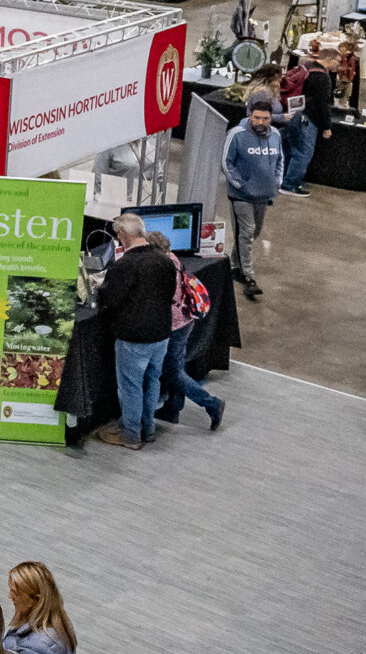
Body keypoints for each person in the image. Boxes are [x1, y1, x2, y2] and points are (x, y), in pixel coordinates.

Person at [91, 215, 177, 451]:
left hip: (134, 338)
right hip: (161, 335)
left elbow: (110, 299)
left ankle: (130, 436)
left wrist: (102, 287)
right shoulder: (165, 262)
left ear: (123, 236)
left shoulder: (125, 265)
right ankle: (148, 430)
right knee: (152, 382)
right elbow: (168, 294)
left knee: (130, 387)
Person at [153, 244, 226, 433]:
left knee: (173, 373)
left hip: (175, 326)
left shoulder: (161, 270)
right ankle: (173, 409)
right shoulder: (173, 259)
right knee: (177, 366)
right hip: (186, 320)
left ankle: (212, 403)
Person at [221, 97, 283, 299]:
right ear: (250, 116)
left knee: (253, 232)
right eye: (257, 118)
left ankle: (233, 264)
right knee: (246, 232)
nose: (261, 122)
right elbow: (225, 162)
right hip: (241, 196)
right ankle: (249, 277)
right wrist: (240, 185)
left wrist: (276, 182)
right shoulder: (236, 135)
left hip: (263, 195)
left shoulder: (275, 135)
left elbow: (280, 160)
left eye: (265, 118)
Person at [281, 47, 333, 198]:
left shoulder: (307, 67)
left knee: (290, 149)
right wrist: (326, 126)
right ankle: (289, 184)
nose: (339, 65)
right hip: (308, 119)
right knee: (303, 152)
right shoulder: (322, 77)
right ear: (328, 59)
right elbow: (322, 104)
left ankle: (284, 178)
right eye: (337, 61)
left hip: (294, 114)